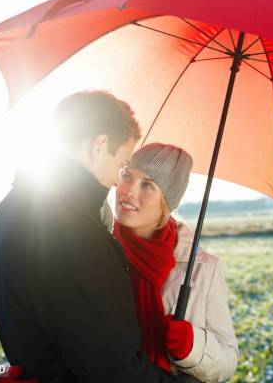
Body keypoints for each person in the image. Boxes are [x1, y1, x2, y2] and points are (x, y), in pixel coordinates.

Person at [0, 91, 185, 382]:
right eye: (121, 164)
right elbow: (113, 369)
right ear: (100, 145)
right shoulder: (76, 235)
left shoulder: (7, 213)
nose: (118, 180)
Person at [113, 143, 238, 383]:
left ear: (167, 201)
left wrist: (193, 347)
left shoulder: (202, 268)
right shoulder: (98, 252)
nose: (128, 190)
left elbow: (228, 360)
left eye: (147, 185)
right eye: (126, 176)